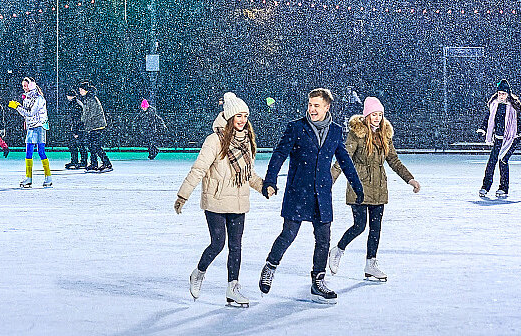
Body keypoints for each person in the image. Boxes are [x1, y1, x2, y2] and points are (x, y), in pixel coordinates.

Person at [258, 88, 364, 303]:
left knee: (323, 239)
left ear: (327, 107)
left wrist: (357, 185)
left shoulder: (335, 131)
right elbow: (279, 154)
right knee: (288, 234)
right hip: (298, 190)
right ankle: (270, 266)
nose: (312, 109)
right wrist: (270, 180)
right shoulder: (296, 127)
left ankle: (318, 280)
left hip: (321, 192)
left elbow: (343, 159)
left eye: (317, 105)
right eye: (310, 104)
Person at [175, 93, 271, 307]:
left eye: (245, 115)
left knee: (236, 246)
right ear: (229, 116)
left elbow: (248, 175)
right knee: (218, 244)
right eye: (238, 115)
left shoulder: (247, 141)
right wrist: (183, 195)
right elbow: (199, 169)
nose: (242, 120)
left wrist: (264, 187)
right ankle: (199, 272)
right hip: (216, 200)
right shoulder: (214, 141)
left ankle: (232, 289)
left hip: (238, 202)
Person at [328, 97, 420, 281]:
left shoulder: (385, 134)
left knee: (375, 228)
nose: (377, 118)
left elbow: (393, 160)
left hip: (379, 187)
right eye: (373, 114)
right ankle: (338, 250)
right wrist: (329, 181)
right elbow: (343, 159)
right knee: (360, 225)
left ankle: (371, 264)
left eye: (379, 114)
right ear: (367, 115)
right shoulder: (356, 134)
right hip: (359, 186)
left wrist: (410, 179)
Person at [478, 79, 521, 199]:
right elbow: (488, 118)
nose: (501, 96)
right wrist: (482, 129)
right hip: (499, 138)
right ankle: (485, 187)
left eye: (503, 93)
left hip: (513, 138)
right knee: (492, 161)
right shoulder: (494, 104)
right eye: (499, 93)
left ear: (508, 94)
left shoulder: (514, 106)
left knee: (503, 160)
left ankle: (503, 188)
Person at [10, 77, 52, 188]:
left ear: (32, 85)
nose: (24, 88)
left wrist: (17, 107)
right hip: (31, 127)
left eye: (26, 85)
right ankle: (28, 178)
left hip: (39, 126)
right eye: (23, 86)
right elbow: (26, 114)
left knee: (41, 151)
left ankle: (48, 177)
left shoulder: (39, 98)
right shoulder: (27, 98)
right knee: (28, 152)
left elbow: (30, 113)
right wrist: (19, 107)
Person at [78, 82, 111, 173]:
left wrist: (83, 122)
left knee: (95, 146)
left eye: (81, 90)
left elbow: (90, 113)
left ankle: (106, 163)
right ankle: (94, 163)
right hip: (93, 126)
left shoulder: (91, 99)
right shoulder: (88, 98)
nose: (80, 92)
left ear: (86, 90)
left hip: (96, 126)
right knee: (91, 145)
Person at [64, 87, 88, 170]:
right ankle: (76, 161)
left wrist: (75, 130)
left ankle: (82, 161)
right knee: (75, 145)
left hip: (78, 128)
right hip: (77, 127)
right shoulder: (75, 103)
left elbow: (76, 119)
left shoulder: (75, 105)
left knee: (79, 145)